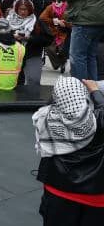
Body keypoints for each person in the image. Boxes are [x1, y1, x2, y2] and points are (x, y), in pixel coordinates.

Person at [33, 77, 104, 225]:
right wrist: (95, 92)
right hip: (94, 195)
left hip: (57, 188)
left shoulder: (47, 118)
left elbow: (52, 103)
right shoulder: (98, 122)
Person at [54, 0, 104, 80]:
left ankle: (79, 88)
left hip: (84, 23)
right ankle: (92, 88)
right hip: (98, 23)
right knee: (90, 56)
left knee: (77, 56)